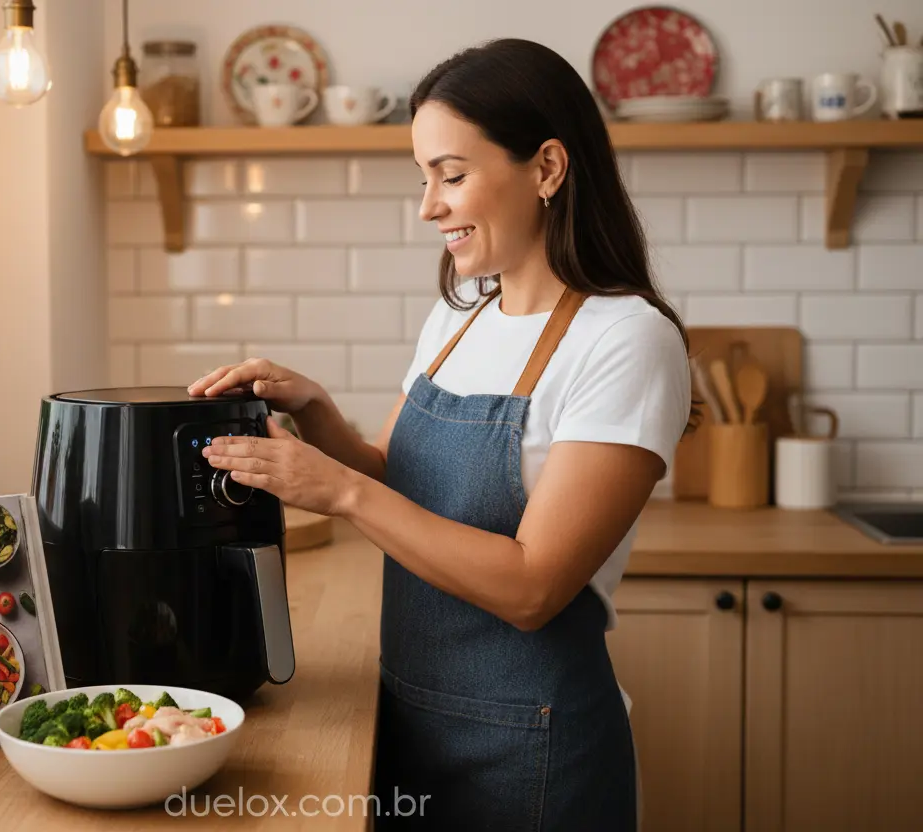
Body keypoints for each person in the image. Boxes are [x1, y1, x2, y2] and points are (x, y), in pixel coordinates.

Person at [187, 38, 694, 829]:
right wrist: (316, 412)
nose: (429, 207)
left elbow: (532, 588)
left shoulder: (626, 339)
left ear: (547, 168)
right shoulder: (461, 316)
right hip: (412, 721)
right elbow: (394, 479)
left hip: (532, 751)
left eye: (451, 176)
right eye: (424, 179)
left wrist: (341, 491)